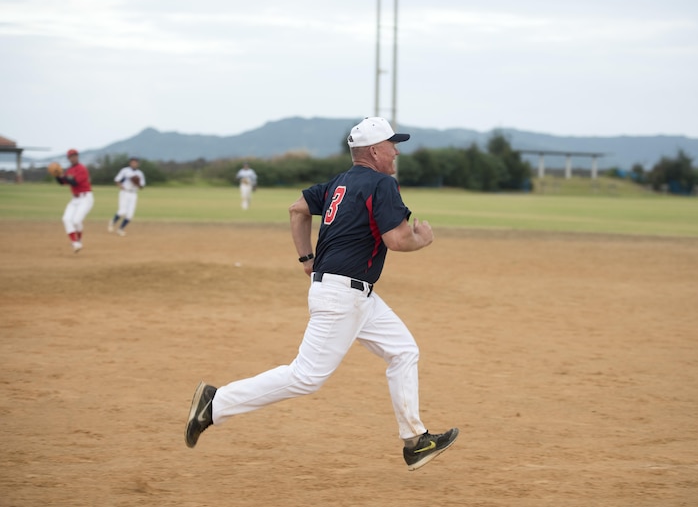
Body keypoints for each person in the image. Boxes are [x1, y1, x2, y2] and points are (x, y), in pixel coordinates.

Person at [185, 117, 458, 471]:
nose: (396, 151)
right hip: (343, 297)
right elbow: (398, 239)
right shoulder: (382, 184)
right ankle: (216, 403)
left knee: (404, 351)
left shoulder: (338, 183)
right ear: (374, 151)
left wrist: (306, 258)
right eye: (392, 144)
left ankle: (415, 440)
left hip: (356, 296)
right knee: (305, 376)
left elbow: (297, 208)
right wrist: (424, 238)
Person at [55, 149, 93, 253]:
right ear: (68, 158)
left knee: (76, 221)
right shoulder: (69, 170)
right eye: (71, 156)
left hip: (85, 198)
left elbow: (75, 182)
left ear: (77, 156)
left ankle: (79, 239)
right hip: (74, 199)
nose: (73, 158)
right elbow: (62, 182)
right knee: (66, 219)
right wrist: (57, 176)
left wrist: (64, 176)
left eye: (75, 155)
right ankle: (75, 243)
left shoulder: (82, 169)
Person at [108, 157, 146, 236]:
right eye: (132, 162)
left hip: (133, 194)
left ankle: (120, 229)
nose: (134, 164)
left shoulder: (140, 173)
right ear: (130, 163)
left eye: (135, 162)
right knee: (122, 211)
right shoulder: (125, 171)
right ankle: (112, 222)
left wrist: (137, 183)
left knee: (130, 215)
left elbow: (142, 187)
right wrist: (120, 186)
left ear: (138, 164)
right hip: (125, 192)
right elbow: (116, 179)